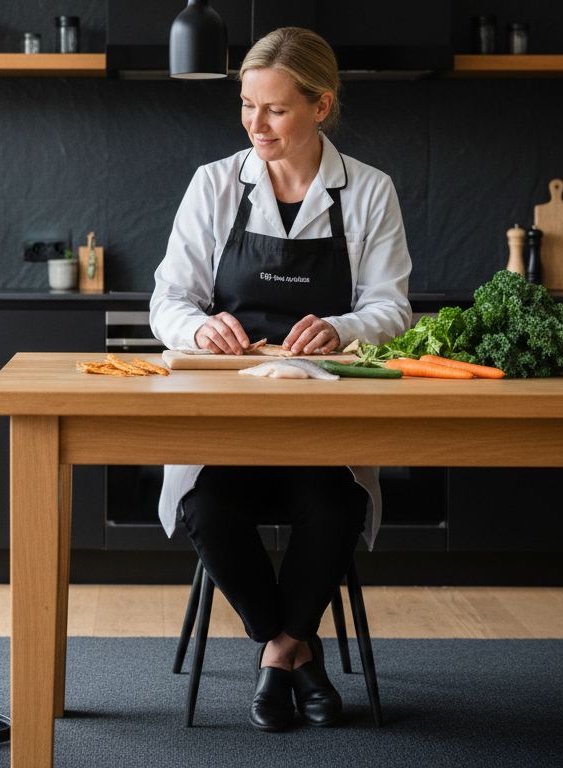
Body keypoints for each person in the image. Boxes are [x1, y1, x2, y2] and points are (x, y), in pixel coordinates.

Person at [149, 27, 412, 731]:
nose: (255, 125)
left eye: (275, 109)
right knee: (205, 509)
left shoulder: (369, 191)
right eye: (246, 106)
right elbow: (168, 300)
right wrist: (199, 328)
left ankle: (277, 656)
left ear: (321, 105)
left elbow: (392, 306)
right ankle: (292, 650)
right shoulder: (213, 185)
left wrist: (345, 328)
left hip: (323, 420)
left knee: (336, 508)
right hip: (225, 418)